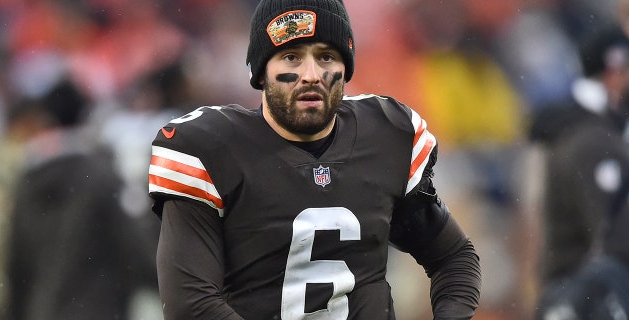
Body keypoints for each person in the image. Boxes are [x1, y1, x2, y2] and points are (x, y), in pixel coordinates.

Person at [148, 0, 481, 319]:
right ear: (262, 71)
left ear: (345, 67)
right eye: (291, 57)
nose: (311, 74)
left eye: (325, 57)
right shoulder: (211, 149)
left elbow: (454, 258)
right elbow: (191, 305)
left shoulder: (387, 135)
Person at [7, 78, 153, 320]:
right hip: (99, 310)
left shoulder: (27, 181)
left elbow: (16, 265)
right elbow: (133, 247)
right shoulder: (99, 175)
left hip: (41, 312)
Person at [529, 24, 629, 319]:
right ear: (614, 73)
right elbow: (613, 238)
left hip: (569, 295)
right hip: (586, 299)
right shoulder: (594, 142)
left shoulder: (578, 130)